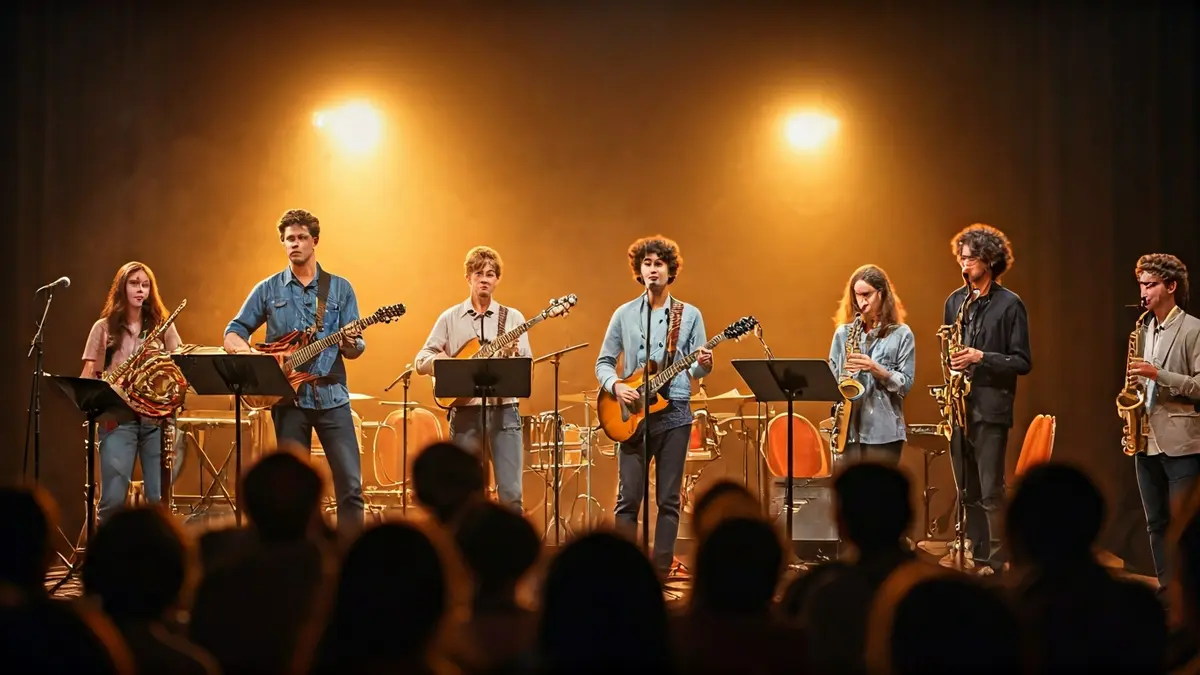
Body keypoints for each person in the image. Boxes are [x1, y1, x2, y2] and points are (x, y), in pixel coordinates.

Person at [223, 208, 365, 539]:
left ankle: (350, 556)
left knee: (351, 487)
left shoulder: (340, 289)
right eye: (289, 239)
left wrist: (348, 341)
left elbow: (357, 348)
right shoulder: (268, 289)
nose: (295, 244)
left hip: (333, 399)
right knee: (290, 493)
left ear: (315, 241)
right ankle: (299, 558)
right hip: (288, 402)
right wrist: (253, 361)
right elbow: (233, 331)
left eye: (302, 238)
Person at [595, 235, 712, 577]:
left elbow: (697, 368)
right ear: (639, 270)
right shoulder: (624, 314)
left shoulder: (688, 315)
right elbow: (603, 362)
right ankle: (623, 571)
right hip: (632, 414)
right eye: (646, 263)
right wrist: (616, 386)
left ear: (670, 269)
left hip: (674, 410)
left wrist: (705, 363)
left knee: (668, 500)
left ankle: (659, 571)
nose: (652, 269)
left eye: (658, 263)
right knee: (628, 499)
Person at [414, 246, 532, 512]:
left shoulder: (513, 318)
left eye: (490, 274)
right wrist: (447, 366)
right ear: (468, 278)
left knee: (511, 494)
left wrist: (512, 354)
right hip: (466, 412)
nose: (484, 279)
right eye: (478, 273)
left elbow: (525, 366)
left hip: (505, 413)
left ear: (497, 280)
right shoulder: (450, 318)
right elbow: (421, 360)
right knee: (463, 493)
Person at [942, 223, 1032, 572]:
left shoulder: (1011, 305)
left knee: (992, 491)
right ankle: (977, 558)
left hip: (991, 408)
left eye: (971, 258)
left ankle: (999, 561)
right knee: (967, 492)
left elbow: (1022, 361)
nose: (964, 265)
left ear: (990, 260)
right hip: (959, 408)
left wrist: (980, 357)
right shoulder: (954, 302)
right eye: (961, 258)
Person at [82, 261, 182, 524]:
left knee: (158, 501)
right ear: (122, 288)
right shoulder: (103, 328)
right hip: (118, 422)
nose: (140, 289)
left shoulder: (163, 326)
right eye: (134, 283)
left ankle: (159, 561)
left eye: (145, 284)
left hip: (156, 422)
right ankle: (106, 561)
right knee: (113, 501)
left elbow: (180, 369)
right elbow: (87, 377)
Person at [1127, 253, 1200, 592]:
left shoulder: (1193, 329)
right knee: (1155, 523)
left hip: (1181, 441)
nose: (1143, 292)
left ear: (1171, 286)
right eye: (1141, 285)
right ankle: (1167, 591)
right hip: (1145, 438)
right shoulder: (1141, 328)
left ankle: (1189, 597)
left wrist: (1158, 373)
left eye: (1151, 285)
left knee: (1184, 529)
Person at [827, 264, 916, 466]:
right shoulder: (843, 334)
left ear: (882, 293)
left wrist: (876, 369)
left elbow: (905, 385)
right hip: (848, 431)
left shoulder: (902, 334)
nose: (861, 302)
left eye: (866, 295)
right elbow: (831, 380)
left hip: (883, 433)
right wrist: (841, 376)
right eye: (856, 295)